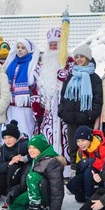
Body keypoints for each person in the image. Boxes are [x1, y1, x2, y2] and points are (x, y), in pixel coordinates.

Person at [58, 44, 103, 163]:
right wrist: (62, 111)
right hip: (71, 119)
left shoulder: (94, 78)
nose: (79, 59)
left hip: (85, 120)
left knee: (87, 147)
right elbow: (63, 97)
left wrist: (90, 115)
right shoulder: (71, 77)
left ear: (87, 58)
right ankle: (74, 168)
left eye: (82, 56)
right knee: (73, 146)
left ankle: (87, 169)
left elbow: (98, 100)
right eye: (77, 57)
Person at [9, 134, 65, 210]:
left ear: (41, 148)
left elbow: (57, 189)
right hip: (38, 191)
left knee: (33, 176)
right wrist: (14, 192)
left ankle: (35, 209)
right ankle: (38, 204)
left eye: (34, 148)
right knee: (14, 205)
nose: (31, 150)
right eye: (30, 147)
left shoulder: (51, 162)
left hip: (47, 195)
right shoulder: (35, 160)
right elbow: (24, 182)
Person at [35, 28, 70, 159]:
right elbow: (37, 86)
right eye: (51, 45)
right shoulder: (41, 65)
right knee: (48, 135)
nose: (53, 48)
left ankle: (65, 163)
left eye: (56, 45)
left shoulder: (68, 62)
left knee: (64, 136)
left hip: (63, 107)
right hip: (47, 108)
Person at [0, 120, 30, 210]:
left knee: (14, 168)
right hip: (8, 177)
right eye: (5, 138)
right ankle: (8, 193)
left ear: (16, 136)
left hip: (22, 177)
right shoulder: (3, 148)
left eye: (10, 137)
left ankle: (11, 197)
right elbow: (0, 168)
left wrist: (23, 159)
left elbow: (35, 156)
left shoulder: (24, 144)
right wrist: (9, 163)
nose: (7, 140)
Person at [3, 39, 40, 139]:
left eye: (23, 48)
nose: (20, 50)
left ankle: (26, 149)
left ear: (28, 50)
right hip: (11, 102)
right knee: (11, 127)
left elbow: (33, 81)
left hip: (24, 103)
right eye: (18, 47)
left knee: (25, 127)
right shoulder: (12, 62)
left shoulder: (31, 63)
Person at [66, 126, 105, 203]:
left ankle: (90, 199)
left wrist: (93, 161)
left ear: (90, 139)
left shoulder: (101, 147)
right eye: (78, 141)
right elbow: (79, 169)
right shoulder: (80, 151)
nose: (80, 144)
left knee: (89, 170)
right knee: (72, 185)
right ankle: (87, 195)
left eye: (83, 140)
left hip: (102, 177)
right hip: (87, 178)